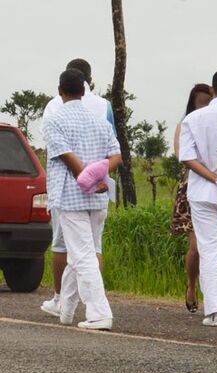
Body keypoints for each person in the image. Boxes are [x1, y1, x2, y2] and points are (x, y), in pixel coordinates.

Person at [41, 68, 122, 330]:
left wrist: (87, 178)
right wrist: (100, 176)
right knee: (80, 255)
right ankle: (66, 309)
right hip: (98, 199)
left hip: (71, 197)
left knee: (83, 255)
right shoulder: (99, 121)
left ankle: (99, 313)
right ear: (84, 90)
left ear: (60, 90)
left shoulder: (55, 120)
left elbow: (66, 156)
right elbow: (116, 157)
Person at [178, 69, 217, 326]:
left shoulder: (193, 119)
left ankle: (216, 311)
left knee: (209, 250)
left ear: (213, 90)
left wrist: (213, 178)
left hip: (201, 193)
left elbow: (187, 157)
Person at [171, 83, 212, 313]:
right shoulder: (185, 125)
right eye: (200, 102)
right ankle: (191, 285)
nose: (204, 106)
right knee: (196, 247)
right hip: (192, 188)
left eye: (208, 101)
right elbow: (181, 155)